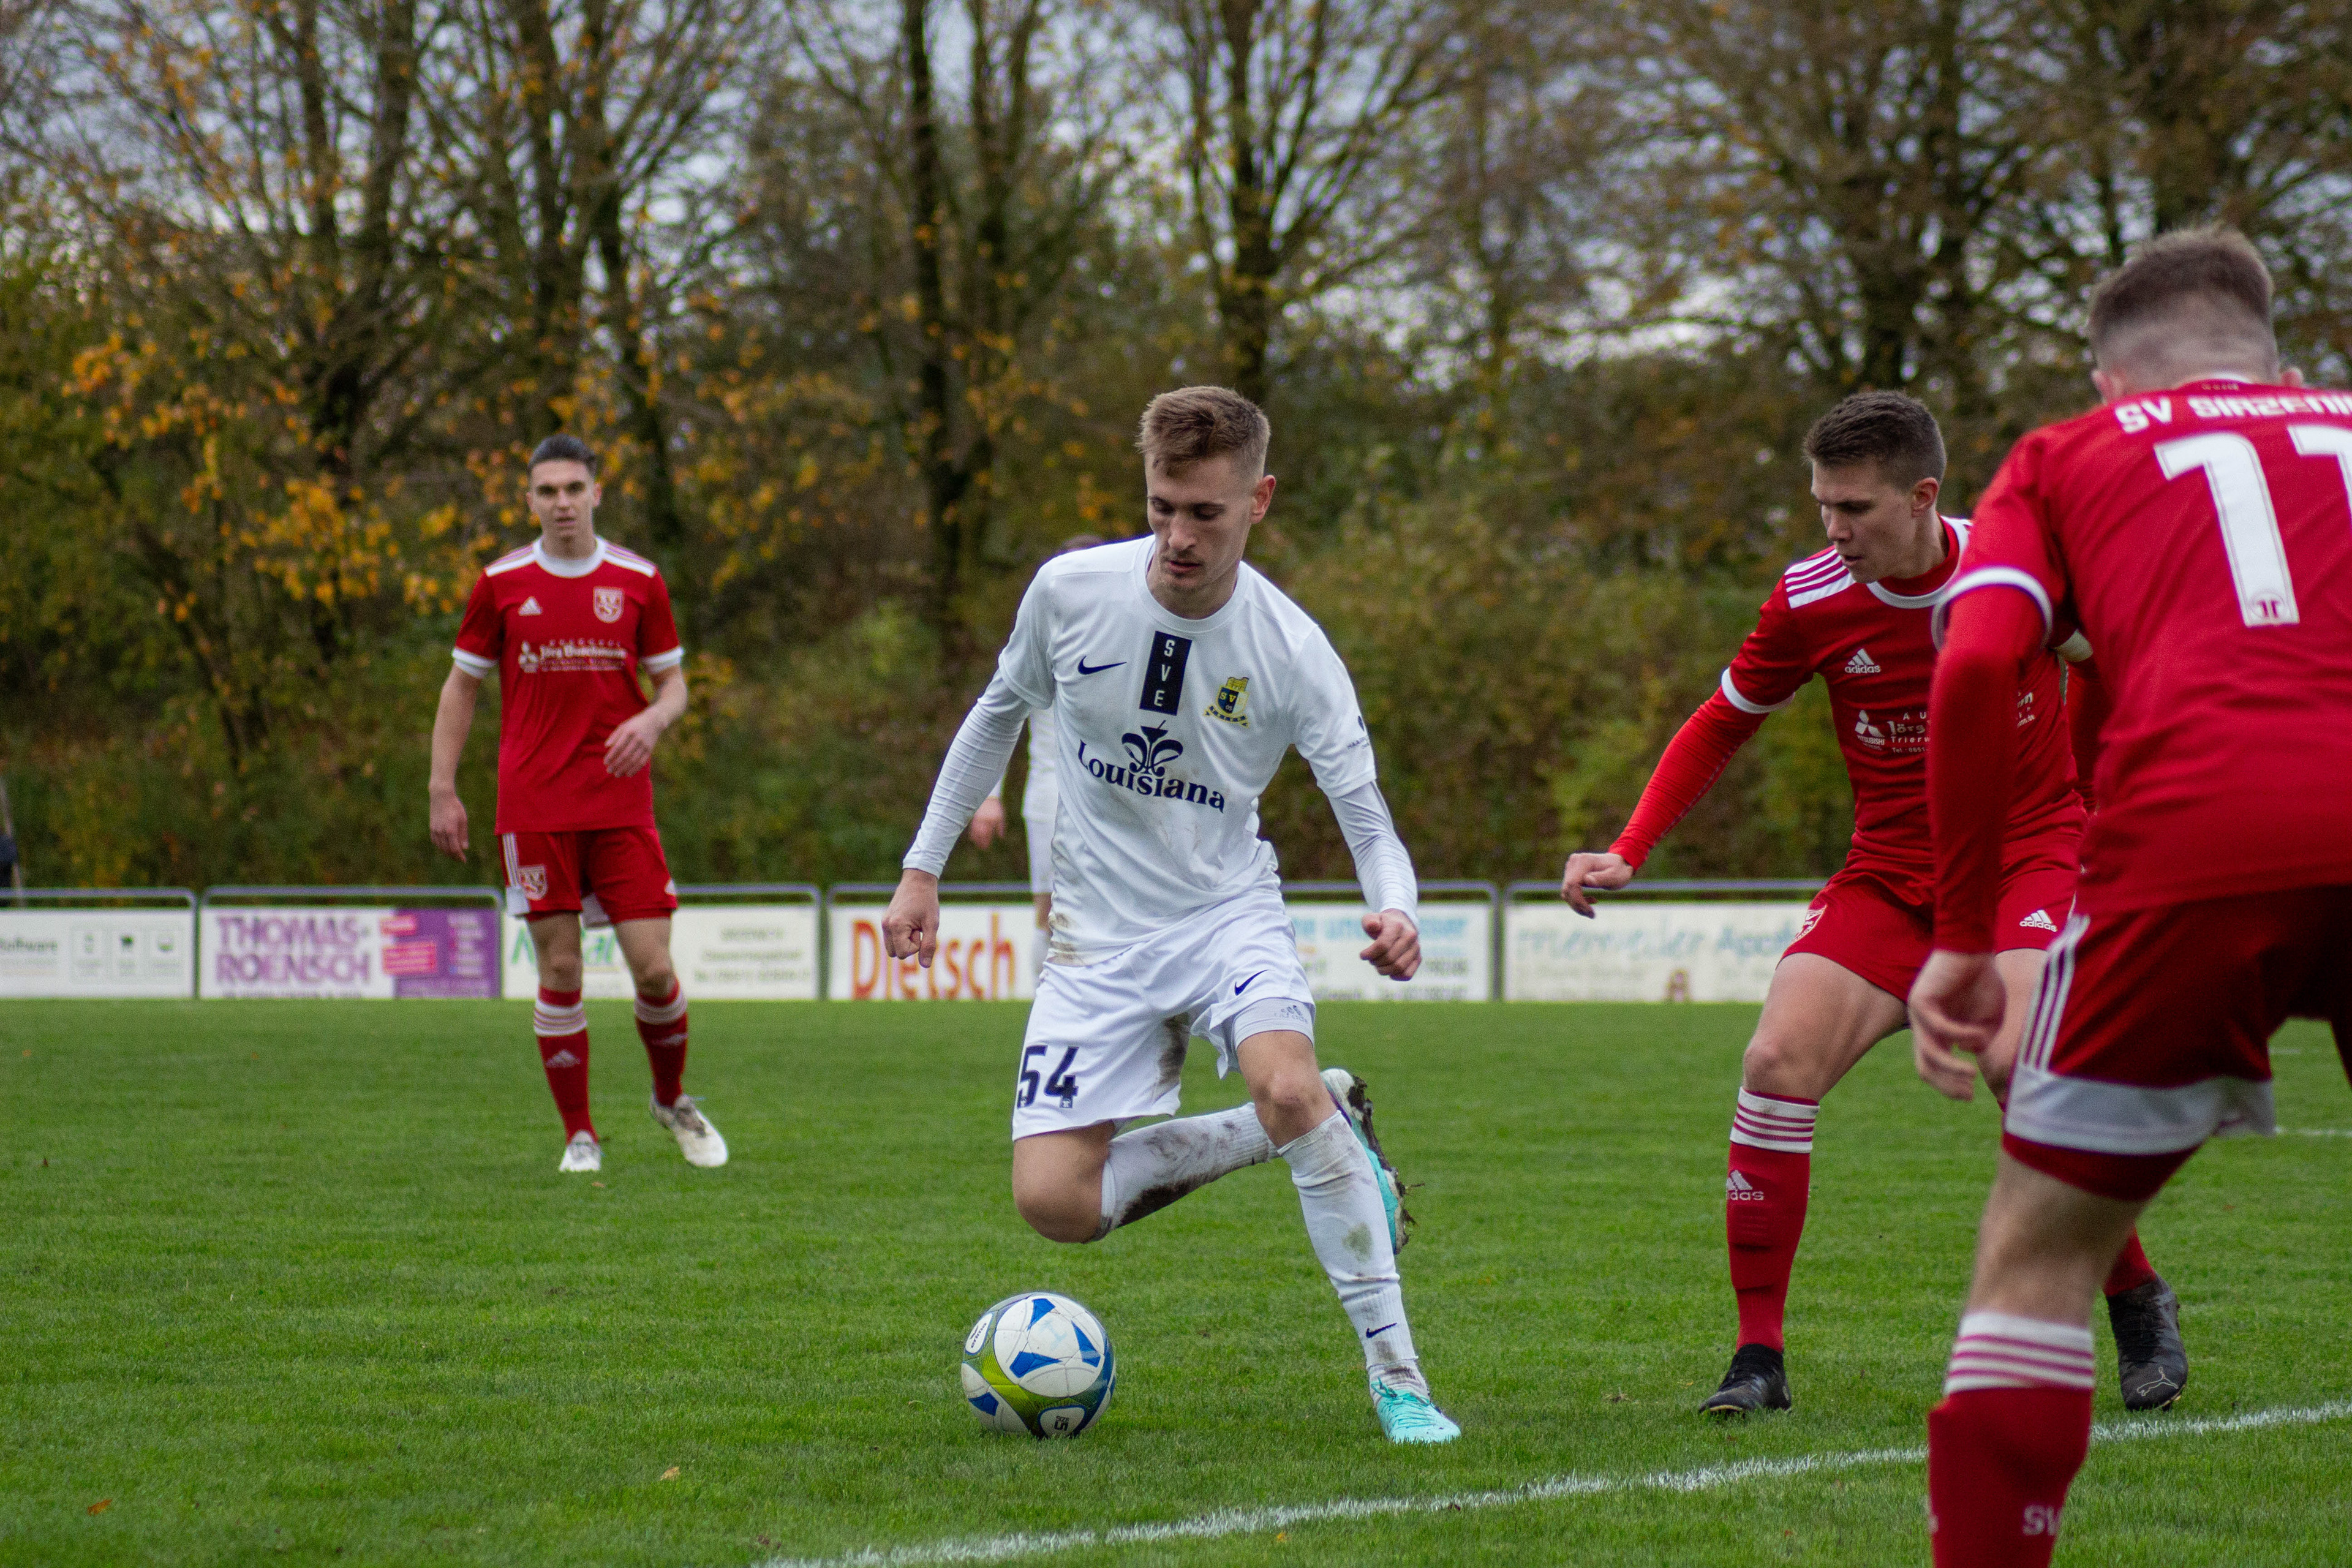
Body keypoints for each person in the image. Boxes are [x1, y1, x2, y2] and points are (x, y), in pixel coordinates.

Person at [1558, 391, 2180, 1417]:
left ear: (1923, 497)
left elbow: (2110, 668)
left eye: (1853, 508)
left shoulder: (2020, 570)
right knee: (1774, 1061)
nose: (1833, 528)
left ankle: (2135, 1295)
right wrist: (1630, 847)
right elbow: (1723, 719)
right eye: (1822, 505)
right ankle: (1758, 1358)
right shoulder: (1810, 596)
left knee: (2013, 1059)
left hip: (2026, 859)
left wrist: (2093, 800)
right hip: (1890, 875)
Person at [883, 386, 1458, 1443]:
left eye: (1206, 513)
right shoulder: (1070, 591)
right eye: (1161, 508)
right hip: (1093, 941)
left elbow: (1368, 820)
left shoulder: (1293, 651)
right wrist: (923, 871)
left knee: (1283, 1082)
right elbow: (994, 717)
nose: (1179, 537)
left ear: (1259, 501)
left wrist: (1397, 908)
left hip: (1223, 916)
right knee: (1056, 1205)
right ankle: (1311, 1117)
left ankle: (1400, 1381)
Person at [1910, 228, 2352, 1566]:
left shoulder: (2064, 454)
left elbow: (1974, 667)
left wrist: (1964, 936)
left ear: (2110, 382)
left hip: (2199, 837)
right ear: (2282, 368)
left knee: (2040, 1253)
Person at [429, 434, 726, 1174]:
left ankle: (671, 1099)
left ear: (597, 492)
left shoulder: (638, 580)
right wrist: (442, 787)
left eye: (573, 488)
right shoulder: (500, 583)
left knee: (654, 970)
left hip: (622, 806)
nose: (561, 502)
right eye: (547, 491)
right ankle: (580, 1135)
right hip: (534, 806)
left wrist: (652, 721)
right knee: (561, 970)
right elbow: (462, 686)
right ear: (529, 499)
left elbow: (675, 686)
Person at [967, 534, 1107, 973]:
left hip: (1112, 798)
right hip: (1050, 798)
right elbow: (999, 719)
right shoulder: (1037, 642)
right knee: (1049, 913)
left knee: (1110, 911)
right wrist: (990, 796)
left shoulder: (1124, 637)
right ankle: (1044, 1002)